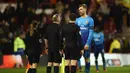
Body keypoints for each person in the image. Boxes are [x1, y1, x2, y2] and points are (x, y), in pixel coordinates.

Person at [75, 4, 94, 73]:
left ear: (85, 9)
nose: (79, 11)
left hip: (86, 43)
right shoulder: (77, 20)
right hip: (78, 44)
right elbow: (75, 33)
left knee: (87, 59)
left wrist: (87, 43)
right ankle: (78, 69)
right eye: (79, 9)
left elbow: (91, 32)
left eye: (81, 9)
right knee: (76, 59)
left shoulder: (90, 20)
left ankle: (87, 71)